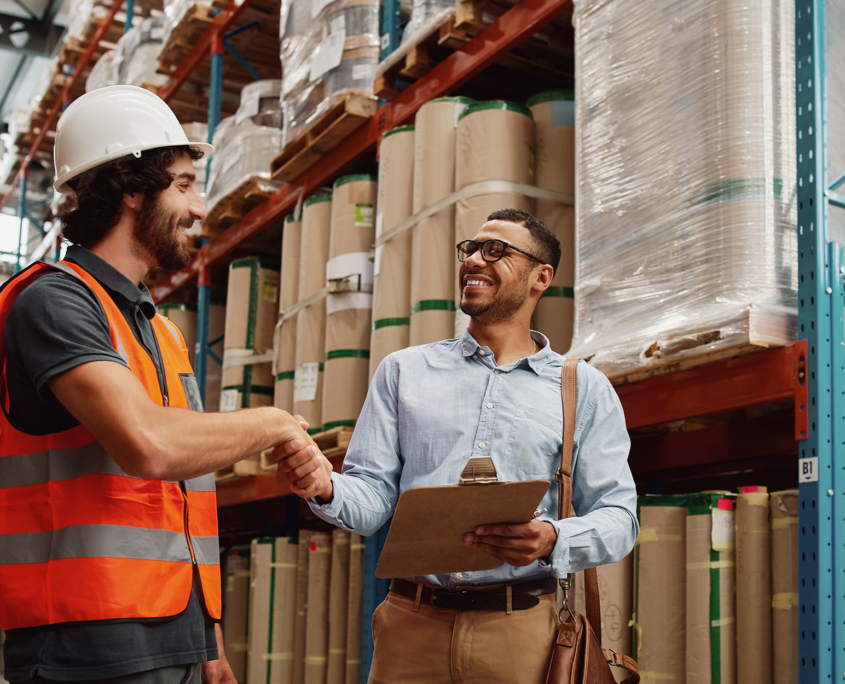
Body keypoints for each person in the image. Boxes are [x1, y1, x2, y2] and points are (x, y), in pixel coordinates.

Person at [0, 85, 314, 683]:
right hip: (85, 643)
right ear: (129, 189)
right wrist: (274, 421)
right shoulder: (52, 303)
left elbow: (180, 493)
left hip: (172, 633)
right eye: (184, 185)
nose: (199, 208)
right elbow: (148, 444)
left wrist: (208, 634)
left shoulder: (157, 330)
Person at [274, 208, 639, 683]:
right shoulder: (404, 372)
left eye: (496, 251)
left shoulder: (582, 388)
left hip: (522, 632)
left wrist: (552, 538)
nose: (474, 261)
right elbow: (371, 500)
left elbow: (620, 517)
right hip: (411, 626)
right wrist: (325, 487)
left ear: (540, 277)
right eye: (470, 249)